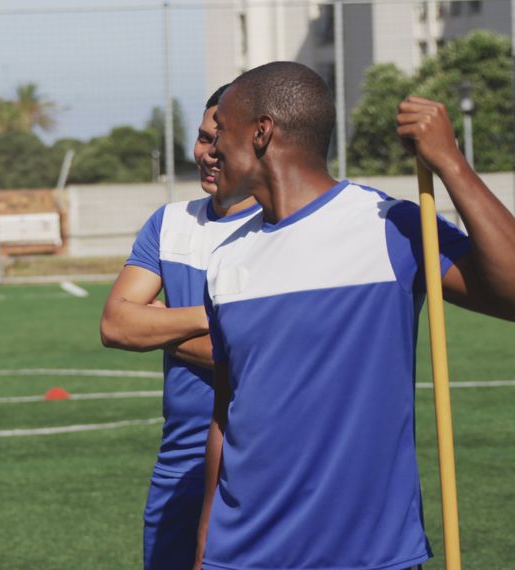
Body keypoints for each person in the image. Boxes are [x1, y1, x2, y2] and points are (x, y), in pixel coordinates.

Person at [196, 61, 515, 569]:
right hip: (240, 558)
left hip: (366, 557)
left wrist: (451, 163)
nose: (210, 151)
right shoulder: (225, 258)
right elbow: (225, 416)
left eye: (222, 134)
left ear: (261, 134)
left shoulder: (388, 227)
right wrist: (204, 551)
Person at [100, 84, 260, 569]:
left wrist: (163, 328)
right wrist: (217, 317)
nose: (206, 154)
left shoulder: (279, 228)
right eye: (201, 138)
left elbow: (253, 354)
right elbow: (116, 324)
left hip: (259, 457)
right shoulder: (170, 223)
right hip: (180, 462)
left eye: (219, 140)